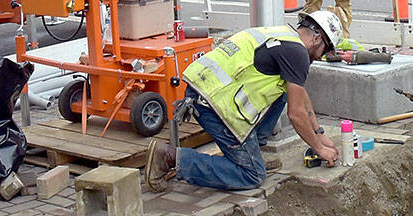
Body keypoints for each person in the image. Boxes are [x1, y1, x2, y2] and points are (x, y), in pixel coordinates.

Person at [146, 10, 344, 192]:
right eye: (325, 51)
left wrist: (319, 134)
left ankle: (250, 152)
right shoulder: (298, 53)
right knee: (253, 175)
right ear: (317, 38)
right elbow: (296, 114)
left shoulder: (284, 35)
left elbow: (300, 96)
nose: (321, 57)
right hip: (215, 106)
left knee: (287, 92)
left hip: (205, 93)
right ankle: (171, 157)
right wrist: (319, 149)